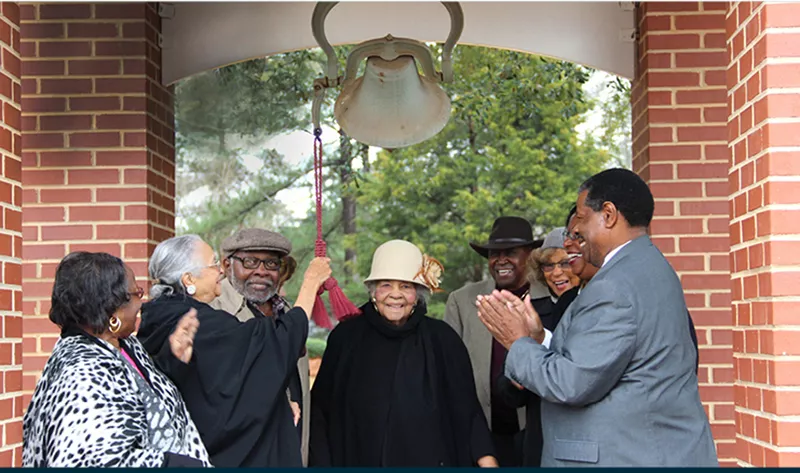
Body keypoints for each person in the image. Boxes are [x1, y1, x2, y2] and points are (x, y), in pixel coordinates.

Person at [477, 168, 718, 466]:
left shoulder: (616, 284)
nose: (575, 231)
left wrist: (518, 342)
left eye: (581, 217)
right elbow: (603, 357)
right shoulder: (647, 265)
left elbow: (571, 383)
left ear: (608, 214)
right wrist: (541, 338)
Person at [137, 234, 331, 467]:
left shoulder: (159, 317)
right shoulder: (196, 322)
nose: (220, 271)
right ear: (189, 278)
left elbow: (229, 384)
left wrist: (276, 401)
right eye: (213, 264)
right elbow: (273, 344)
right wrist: (311, 282)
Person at [309, 240, 497, 467]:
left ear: (417, 293)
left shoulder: (442, 339)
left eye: (406, 286)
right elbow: (321, 411)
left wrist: (488, 462)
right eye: (386, 285)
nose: (395, 295)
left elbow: (467, 411)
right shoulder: (346, 338)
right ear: (373, 291)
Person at [23, 252, 211, 468]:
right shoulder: (83, 371)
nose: (142, 302)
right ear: (113, 308)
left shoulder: (123, 345)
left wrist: (173, 358)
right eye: (137, 293)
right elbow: (103, 460)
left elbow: (143, 397)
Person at [443, 216, 549, 466]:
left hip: (537, 432)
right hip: (481, 434)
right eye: (494, 253)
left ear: (530, 255)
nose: (500, 260)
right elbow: (449, 372)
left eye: (510, 252)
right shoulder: (462, 301)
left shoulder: (550, 298)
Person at [210, 228, 310, 465]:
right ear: (226, 264)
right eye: (250, 261)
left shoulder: (286, 311)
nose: (261, 272)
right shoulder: (214, 312)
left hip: (290, 449)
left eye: (271, 264)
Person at [494, 227, 580, 466]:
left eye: (564, 263)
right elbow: (507, 390)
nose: (556, 273)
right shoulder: (530, 310)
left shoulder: (596, 307)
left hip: (584, 435)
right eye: (548, 266)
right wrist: (516, 380)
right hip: (540, 439)